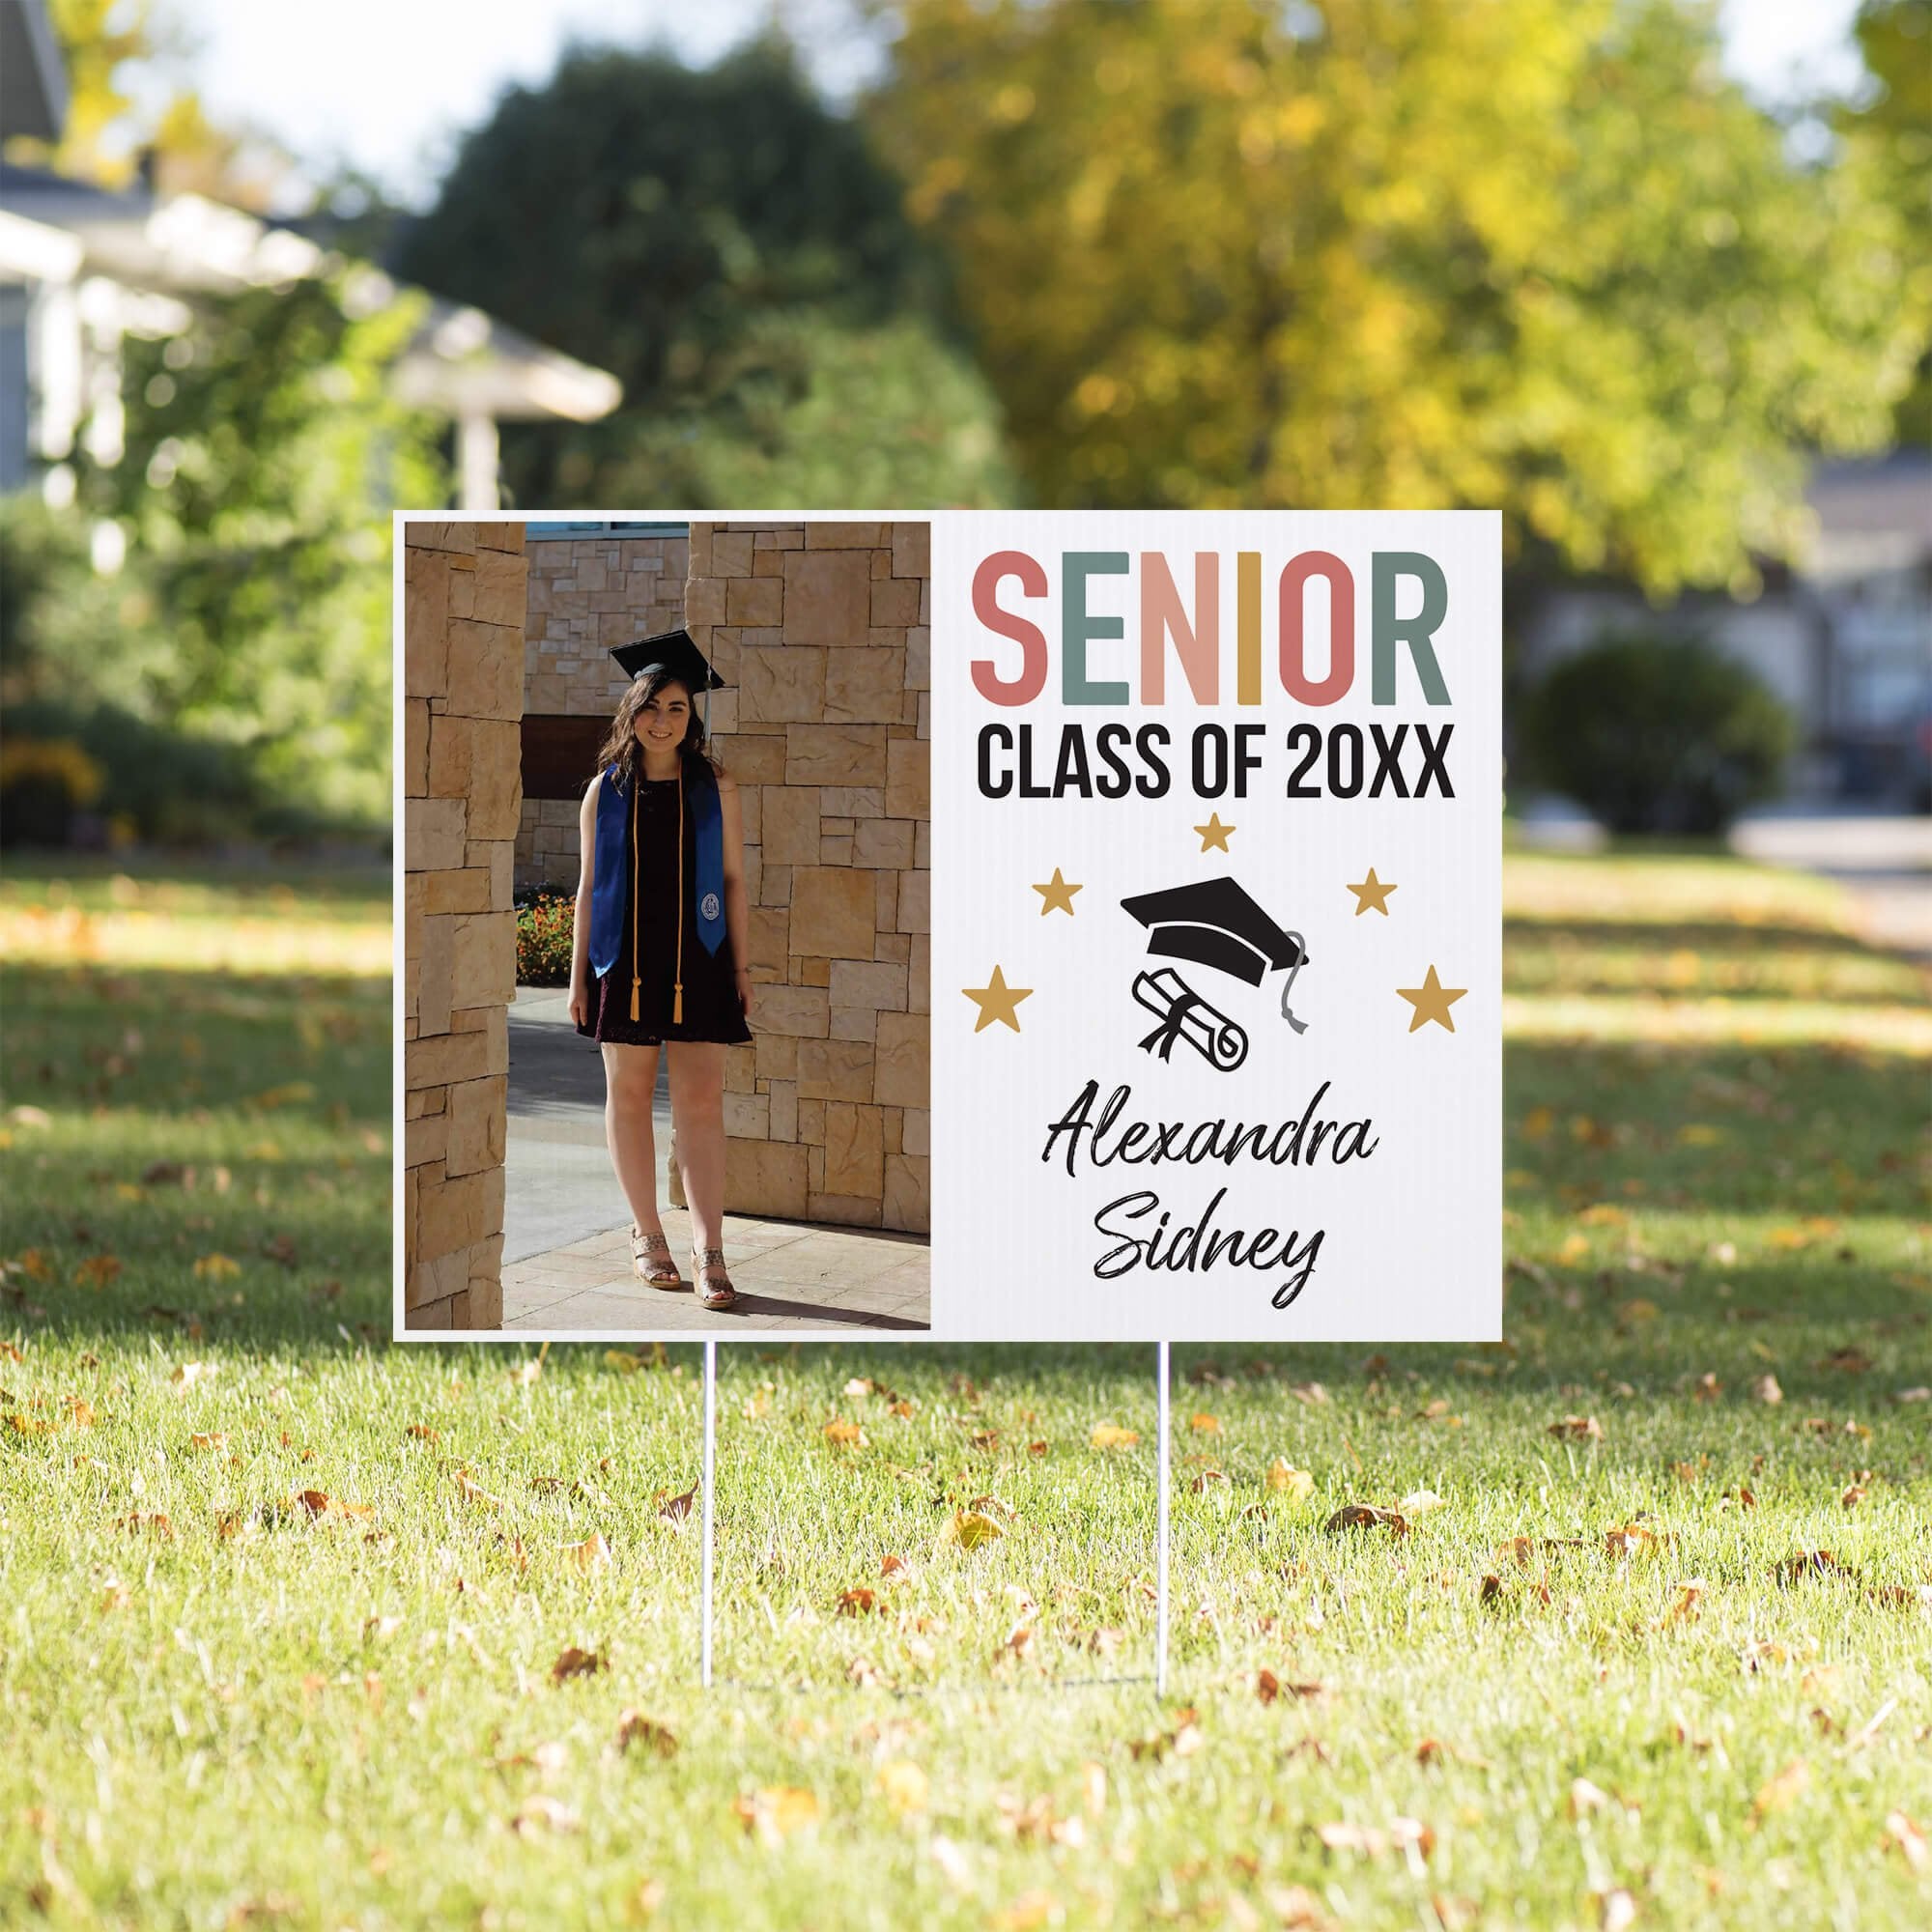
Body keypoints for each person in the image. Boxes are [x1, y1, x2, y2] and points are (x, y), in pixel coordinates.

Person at [568, 630, 752, 1311]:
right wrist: (578, 978)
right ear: (631, 710)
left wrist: (742, 965)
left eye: (677, 707)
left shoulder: (716, 785)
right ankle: (648, 1236)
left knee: (702, 1103)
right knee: (631, 1098)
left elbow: (732, 879)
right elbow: (588, 888)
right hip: (626, 962)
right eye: (651, 706)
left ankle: (710, 1251)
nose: (663, 719)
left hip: (700, 960)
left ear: (691, 715)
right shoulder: (604, 791)